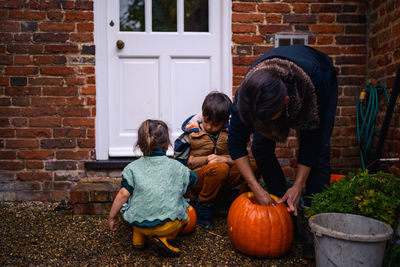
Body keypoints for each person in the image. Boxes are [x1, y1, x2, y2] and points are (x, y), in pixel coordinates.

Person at [228, 45, 338, 257]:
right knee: (260, 146)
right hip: (269, 96)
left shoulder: (315, 80)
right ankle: (285, 211)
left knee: (319, 155)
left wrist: (298, 185)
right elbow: (235, 144)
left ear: (286, 102)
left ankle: (314, 233)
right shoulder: (246, 97)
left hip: (318, 78)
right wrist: (257, 188)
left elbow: (312, 142)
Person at [108, 119, 198, 257]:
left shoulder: (132, 168)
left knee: (136, 209)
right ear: (167, 146)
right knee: (185, 216)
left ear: (141, 146)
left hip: (138, 223)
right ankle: (163, 238)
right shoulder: (176, 167)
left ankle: (139, 240)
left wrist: (111, 217)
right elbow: (193, 179)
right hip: (168, 225)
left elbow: (123, 194)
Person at [174, 91, 257, 228]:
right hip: (197, 179)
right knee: (220, 168)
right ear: (203, 115)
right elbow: (178, 165)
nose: (209, 127)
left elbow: (241, 158)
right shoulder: (189, 135)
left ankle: (240, 205)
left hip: (223, 177)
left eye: (215, 124)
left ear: (225, 121)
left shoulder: (231, 134)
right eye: (206, 121)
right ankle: (204, 207)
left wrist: (224, 158)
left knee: (253, 167)